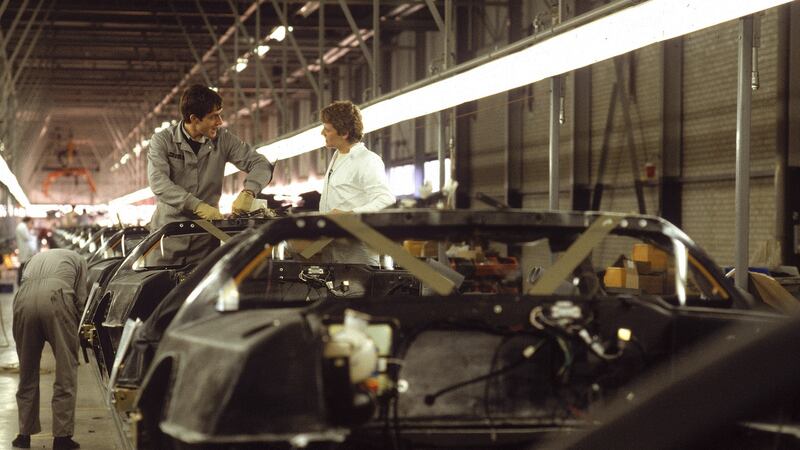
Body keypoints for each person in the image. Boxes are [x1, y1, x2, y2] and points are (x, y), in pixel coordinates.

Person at [146, 85, 273, 264]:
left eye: (220, 114)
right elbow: (159, 182)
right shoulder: (163, 141)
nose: (220, 122)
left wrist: (249, 192)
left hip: (205, 241)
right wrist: (197, 206)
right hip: (167, 238)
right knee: (160, 289)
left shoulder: (224, 140)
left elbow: (261, 164)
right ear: (194, 119)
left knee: (205, 290)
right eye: (213, 116)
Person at [11, 249, 87, 450]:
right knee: (65, 370)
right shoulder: (79, 260)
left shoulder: (34, 257)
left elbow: (22, 281)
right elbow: (81, 299)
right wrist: (80, 329)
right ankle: (62, 438)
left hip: (23, 299)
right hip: (56, 297)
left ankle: (23, 435)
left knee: (27, 371)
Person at [317, 100, 395, 266]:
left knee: (354, 292)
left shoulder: (368, 160)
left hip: (357, 256)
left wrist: (349, 214)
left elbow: (386, 200)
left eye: (327, 129)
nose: (322, 133)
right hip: (332, 249)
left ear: (344, 133)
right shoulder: (337, 156)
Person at [15, 217, 37, 285]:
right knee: (23, 266)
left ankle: (22, 282)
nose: (31, 225)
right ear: (28, 221)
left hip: (25, 251)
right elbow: (28, 237)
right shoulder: (22, 227)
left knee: (24, 266)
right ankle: (20, 282)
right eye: (31, 223)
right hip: (24, 251)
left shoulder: (23, 227)